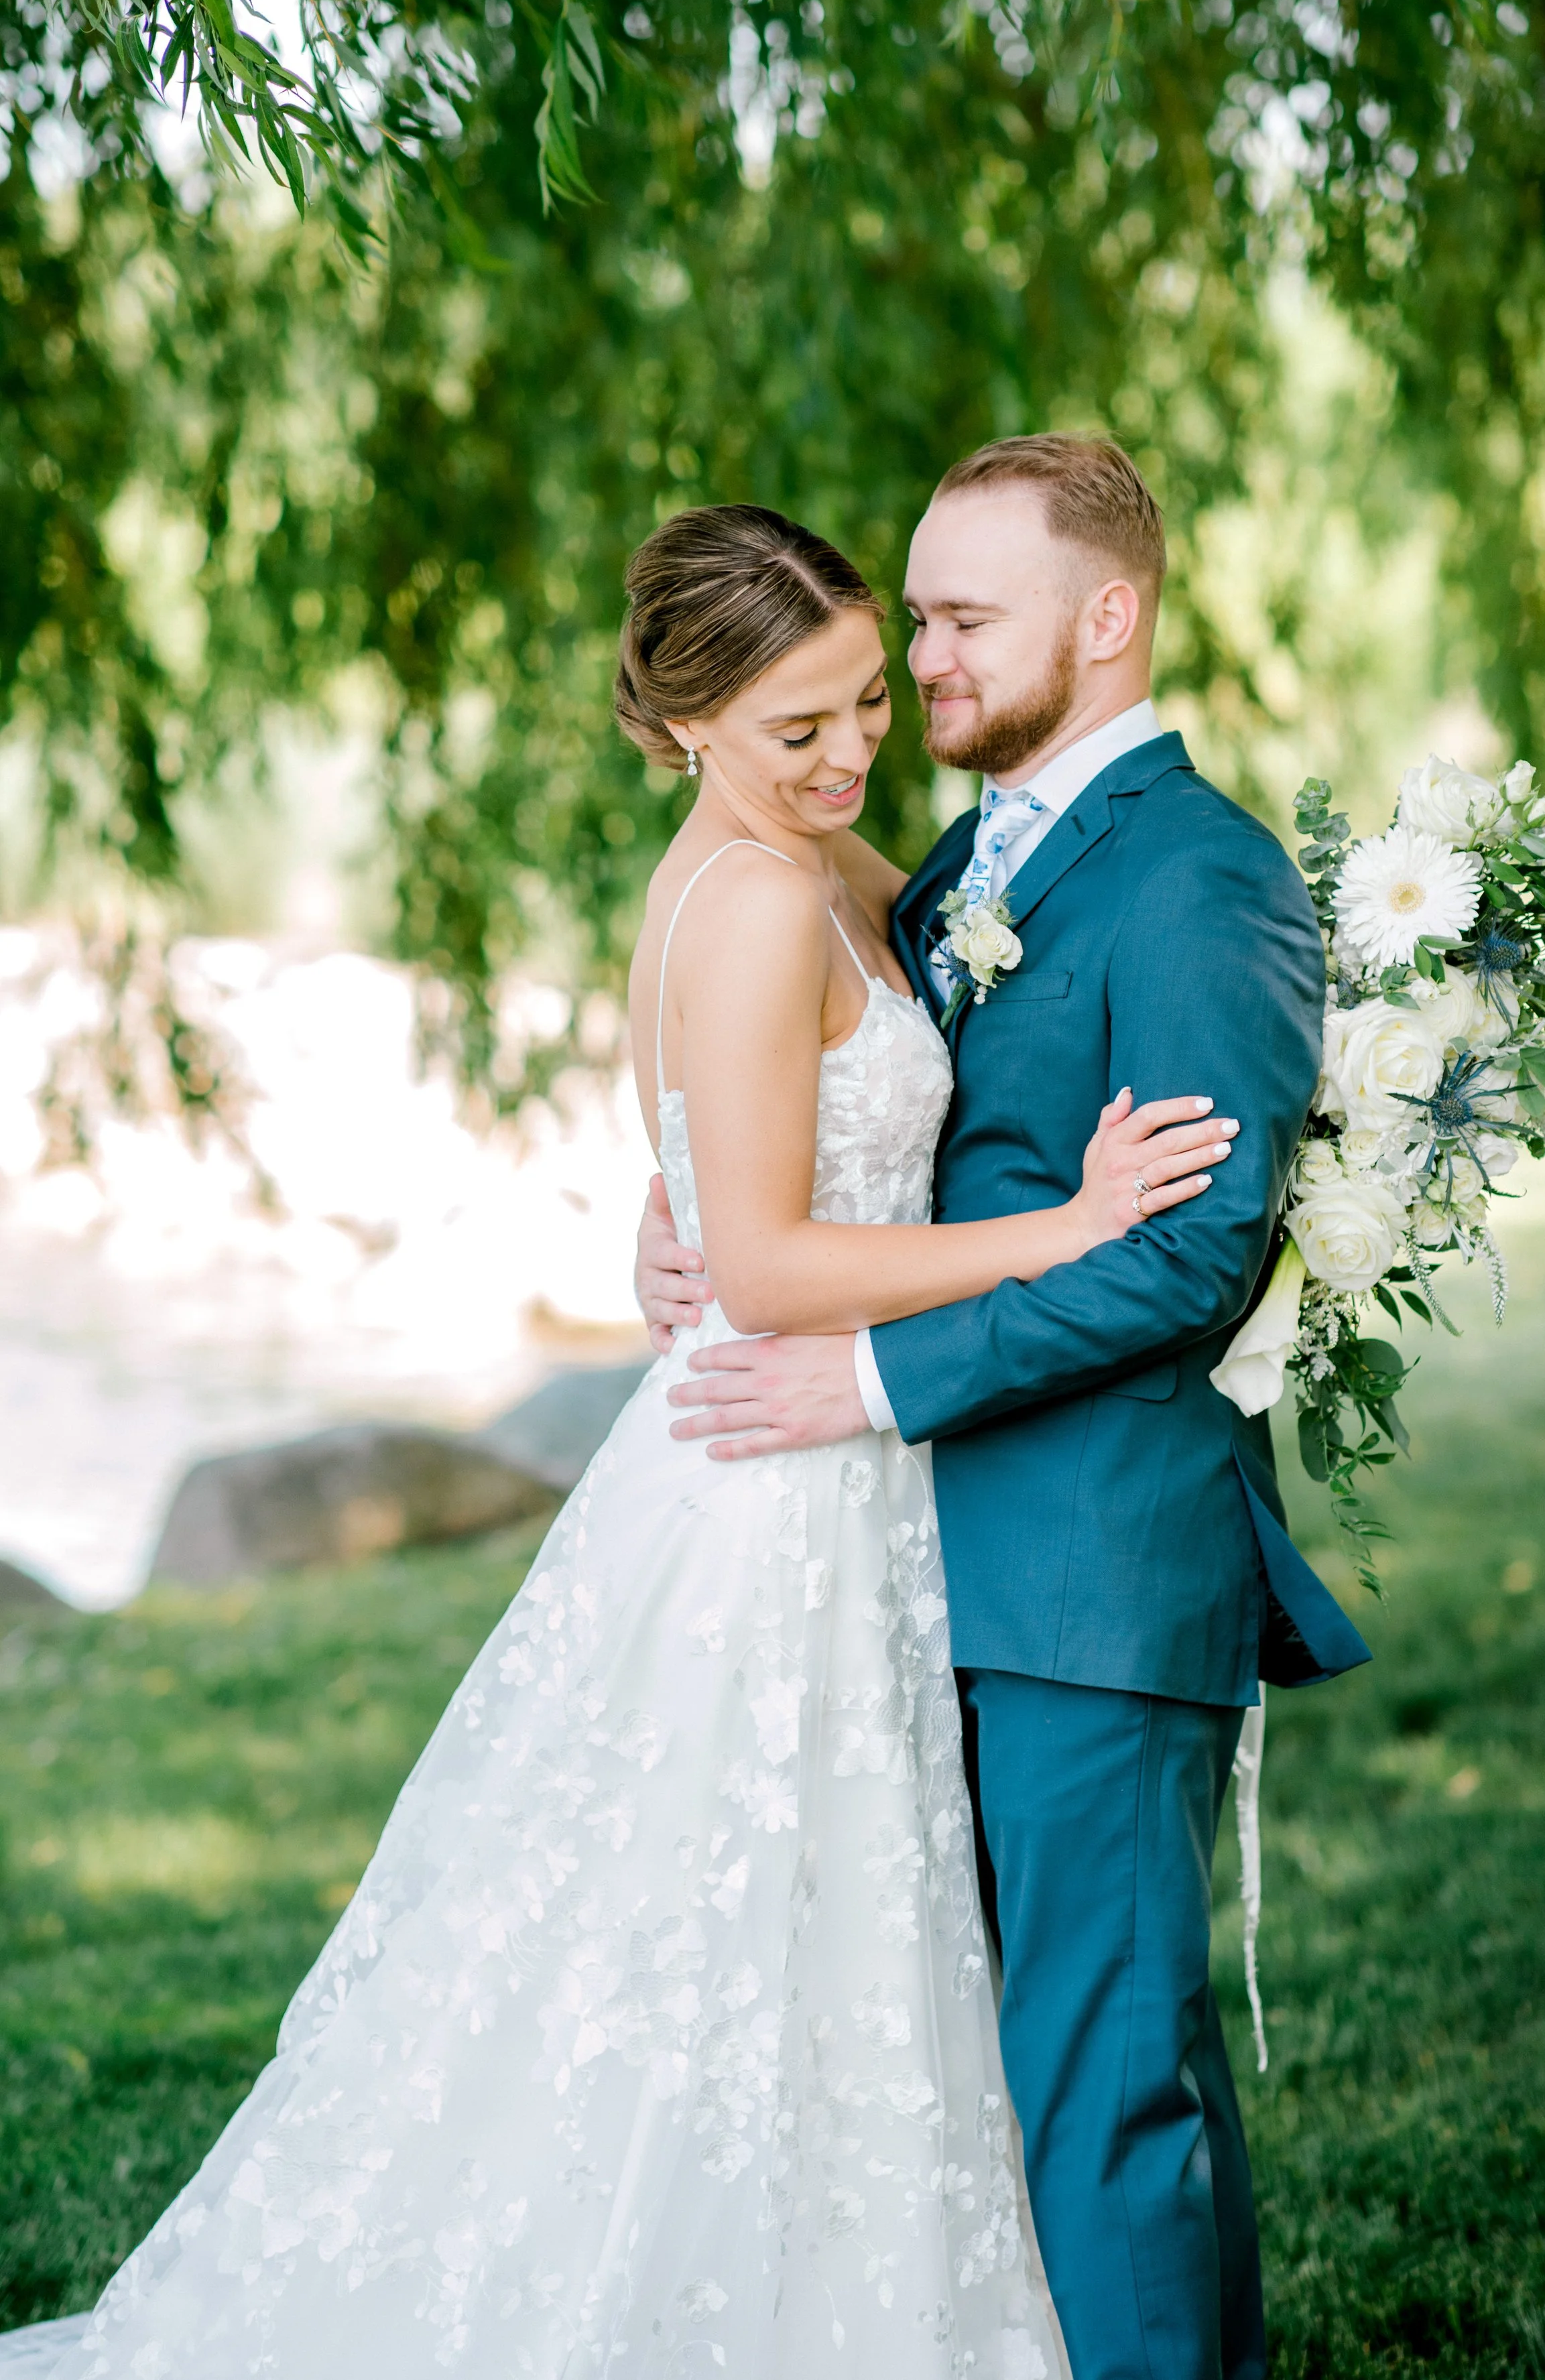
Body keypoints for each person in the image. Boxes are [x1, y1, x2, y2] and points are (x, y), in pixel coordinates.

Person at [19, 502, 1237, 2380]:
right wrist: (1059, 1227)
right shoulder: (752, 894)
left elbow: (708, 1179)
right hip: (779, 1475)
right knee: (725, 1939)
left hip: (804, 1456)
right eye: (795, 731)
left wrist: (657, 1223)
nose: (846, 755)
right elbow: (759, 1254)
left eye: (855, 704)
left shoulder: (808, 861)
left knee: (799, 1940)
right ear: (681, 727)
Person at [634, 438, 1373, 2380]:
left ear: (1105, 619)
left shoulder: (1204, 879)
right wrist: (689, 1200)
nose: (921, 675)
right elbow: (819, 1075)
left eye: (958, 625)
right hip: (915, 1561)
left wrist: (870, 1372)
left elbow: (1182, 1259)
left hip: (1090, 1576)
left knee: (1105, 2084)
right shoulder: (963, 864)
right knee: (996, 2073)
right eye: (917, 624)